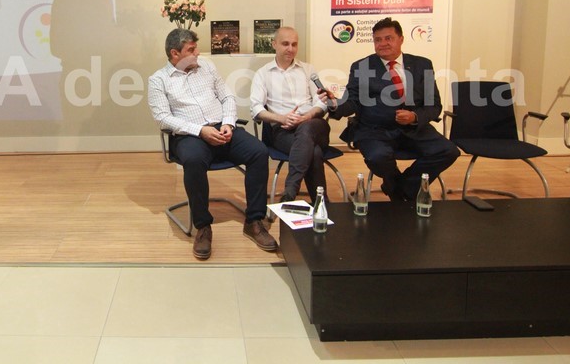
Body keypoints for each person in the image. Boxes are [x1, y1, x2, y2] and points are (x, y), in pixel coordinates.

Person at [148, 28, 276, 260]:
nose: (198, 53)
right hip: (189, 135)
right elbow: (163, 118)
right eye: (191, 49)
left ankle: (254, 220)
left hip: (222, 127)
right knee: (194, 160)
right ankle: (203, 226)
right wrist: (200, 131)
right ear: (175, 53)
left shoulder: (207, 66)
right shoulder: (158, 80)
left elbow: (227, 97)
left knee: (259, 152)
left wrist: (228, 123)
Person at [326, 17, 459, 201]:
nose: (383, 44)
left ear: (401, 39)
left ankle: (401, 187)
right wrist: (335, 104)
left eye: (388, 38)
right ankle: (398, 190)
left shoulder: (422, 65)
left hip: (414, 129)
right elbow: (352, 102)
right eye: (378, 40)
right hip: (375, 130)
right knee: (377, 157)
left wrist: (414, 116)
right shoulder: (361, 67)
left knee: (449, 151)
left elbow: (434, 105)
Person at [250, 27, 330, 204]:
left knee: (307, 128)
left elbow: (322, 102)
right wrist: (282, 118)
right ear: (274, 44)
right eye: (285, 44)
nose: (290, 49)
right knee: (314, 152)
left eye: (294, 44)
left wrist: (306, 117)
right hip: (283, 130)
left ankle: (291, 189)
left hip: (314, 125)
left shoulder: (308, 69)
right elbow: (256, 109)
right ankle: (322, 204)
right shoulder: (263, 74)